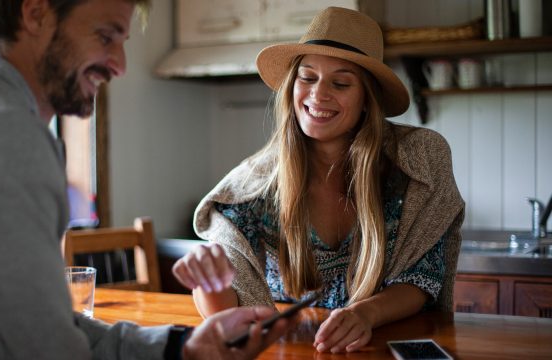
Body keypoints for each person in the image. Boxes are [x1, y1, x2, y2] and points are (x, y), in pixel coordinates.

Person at [0, 0, 294, 359]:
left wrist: (180, 347)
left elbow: (49, 327)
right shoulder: (2, 134)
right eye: (105, 37)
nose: (121, 65)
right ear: (35, 13)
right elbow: (48, 349)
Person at [172, 6, 465, 355]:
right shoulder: (255, 186)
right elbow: (228, 305)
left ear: (367, 100)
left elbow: (422, 277)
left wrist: (365, 314)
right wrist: (208, 281)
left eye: (340, 83)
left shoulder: (414, 166)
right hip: (291, 350)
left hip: (378, 346)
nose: (318, 94)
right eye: (307, 78)